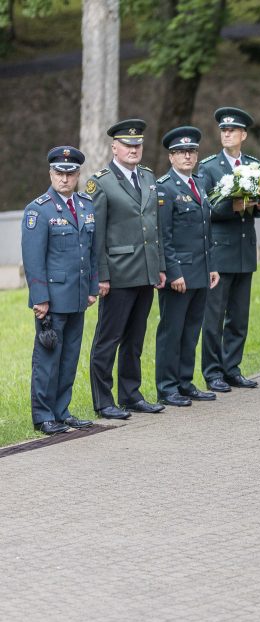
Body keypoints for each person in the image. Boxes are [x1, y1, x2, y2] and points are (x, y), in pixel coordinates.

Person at [87, 119, 166, 420]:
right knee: (109, 338)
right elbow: (97, 235)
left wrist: (159, 266)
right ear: (114, 147)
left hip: (145, 271)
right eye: (128, 145)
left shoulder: (147, 177)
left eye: (138, 145)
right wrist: (101, 275)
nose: (134, 150)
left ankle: (131, 395)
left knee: (135, 338)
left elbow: (153, 228)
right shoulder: (101, 182)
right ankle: (104, 400)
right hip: (118, 274)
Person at [22, 146, 97, 435]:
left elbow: (90, 251)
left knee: (69, 359)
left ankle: (61, 411)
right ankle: (43, 416)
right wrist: (39, 298)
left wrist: (92, 288)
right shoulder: (37, 210)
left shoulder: (85, 205)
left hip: (77, 297)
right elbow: (33, 259)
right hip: (51, 300)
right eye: (58, 173)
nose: (64, 179)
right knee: (47, 360)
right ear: (50, 173)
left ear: (78, 175)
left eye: (70, 173)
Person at [199, 107, 260, 393]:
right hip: (220, 250)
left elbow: (257, 208)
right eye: (223, 130)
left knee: (239, 317)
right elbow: (207, 210)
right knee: (213, 318)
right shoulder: (209, 167)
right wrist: (235, 206)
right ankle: (213, 372)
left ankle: (232, 368)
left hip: (244, 250)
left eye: (232, 131)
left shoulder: (253, 164)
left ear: (243, 135)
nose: (227, 134)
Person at [154, 127, 220, 407]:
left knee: (192, 330)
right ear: (171, 156)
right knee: (172, 331)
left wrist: (212, 266)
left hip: (201, 270)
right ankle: (167, 388)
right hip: (179, 273)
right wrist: (173, 273)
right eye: (181, 152)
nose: (188, 156)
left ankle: (184, 381)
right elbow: (163, 236)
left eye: (192, 151)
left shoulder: (198, 183)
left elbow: (206, 230)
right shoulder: (165, 188)